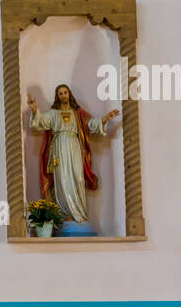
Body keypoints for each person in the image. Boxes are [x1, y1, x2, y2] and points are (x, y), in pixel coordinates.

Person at [27, 84, 120, 224]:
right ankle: (65, 214)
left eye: (65, 92)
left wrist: (105, 118)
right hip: (59, 148)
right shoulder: (53, 113)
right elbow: (40, 121)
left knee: (78, 178)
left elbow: (91, 124)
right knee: (62, 179)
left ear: (69, 94)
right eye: (60, 93)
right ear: (57, 97)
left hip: (75, 146)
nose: (63, 95)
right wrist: (35, 109)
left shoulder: (78, 112)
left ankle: (80, 215)